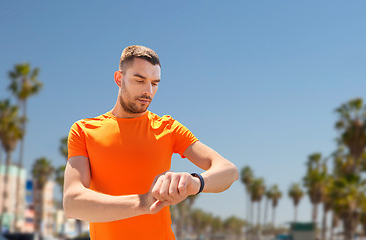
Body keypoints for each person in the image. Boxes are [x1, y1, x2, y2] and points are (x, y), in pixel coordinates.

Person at [63, 45, 239, 239]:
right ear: (119, 79)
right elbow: (72, 203)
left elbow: (229, 171)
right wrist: (142, 203)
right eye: (140, 80)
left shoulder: (168, 128)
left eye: (155, 83)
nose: (148, 91)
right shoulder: (84, 130)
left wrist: (195, 183)